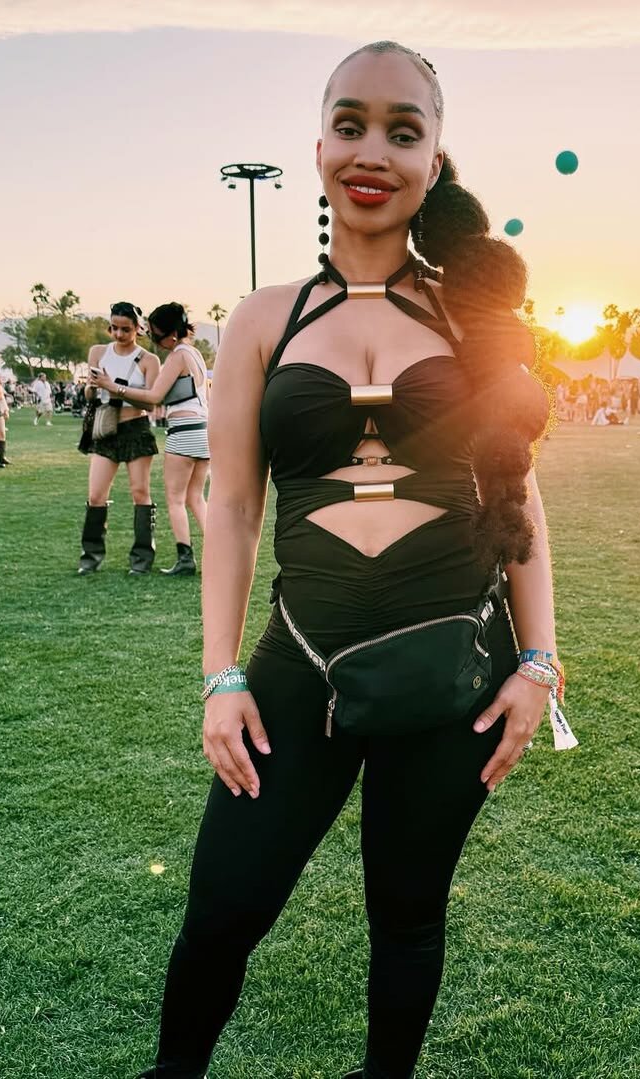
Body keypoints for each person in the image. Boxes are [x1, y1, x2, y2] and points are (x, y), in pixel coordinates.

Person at [141, 42, 564, 1079]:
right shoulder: (263, 317)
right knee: (222, 910)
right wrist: (221, 674)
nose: (373, 150)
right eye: (351, 124)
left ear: (434, 160)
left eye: (402, 131)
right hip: (302, 660)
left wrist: (538, 662)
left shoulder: (474, 320)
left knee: (408, 917)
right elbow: (234, 505)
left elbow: (518, 491)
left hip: (453, 669)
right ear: (319, 146)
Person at [92, 303, 210, 576]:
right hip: (202, 429)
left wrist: (113, 387)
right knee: (195, 497)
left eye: (155, 334)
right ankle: (219, 553)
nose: (153, 339)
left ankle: (185, 558)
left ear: (171, 334)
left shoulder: (177, 356)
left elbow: (154, 396)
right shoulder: (194, 354)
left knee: (175, 498)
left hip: (183, 429)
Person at [78, 302, 161, 575]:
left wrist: (114, 387)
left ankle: (142, 558)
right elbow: (88, 395)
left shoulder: (149, 360)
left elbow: (151, 403)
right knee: (96, 494)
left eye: (125, 329)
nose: (119, 334)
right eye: (114, 328)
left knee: (140, 492)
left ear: (138, 328)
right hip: (106, 428)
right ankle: (90, 556)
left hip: (136, 428)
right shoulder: (98, 352)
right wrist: (93, 387)